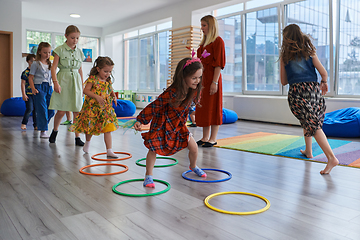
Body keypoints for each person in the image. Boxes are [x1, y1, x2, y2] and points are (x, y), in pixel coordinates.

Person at [134, 57, 207, 188]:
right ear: (183, 76)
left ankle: (193, 166)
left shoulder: (193, 90)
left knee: (194, 148)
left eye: (199, 77)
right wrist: (141, 120)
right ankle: (148, 176)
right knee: (153, 149)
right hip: (162, 124)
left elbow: (190, 107)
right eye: (194, 78)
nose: (198, 81)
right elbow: (155, 105)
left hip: (178, 125)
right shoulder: (172, 92)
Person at [279, 24, 339, 174]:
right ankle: (308, 150)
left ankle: (332, 158)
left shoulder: (285, 57)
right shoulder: (309, 52)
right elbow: (323, 73)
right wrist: (324, 83)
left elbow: (283, 81)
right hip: (313, 91)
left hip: (297, 92)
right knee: (308, 120)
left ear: (286, 39)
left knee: (312, 124)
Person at [70, 57, 119, 157]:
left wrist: (113, 96)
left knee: (108, 128)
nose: (108, 74)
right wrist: (96, 96)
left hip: (105, 109)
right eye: (105, 71)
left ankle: (109, 150)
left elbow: (110, 90)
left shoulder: (108, 80)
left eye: (110, 72)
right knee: (90, 127)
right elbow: (85, 91)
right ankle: (87, 143)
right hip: (92, 108)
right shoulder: (93, 79)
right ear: (98, 69)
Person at [49, 25, 85, 146]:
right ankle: (55, 131)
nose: (75, 40)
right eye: (72, 37)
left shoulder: (80, 52)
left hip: (76, 81)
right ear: (66, 36)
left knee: (76, 110)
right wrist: (55, 83)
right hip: (63, 79)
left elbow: (80, 70)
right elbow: (53, 68)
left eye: (77, 38)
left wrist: (82, 85)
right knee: (61, 110)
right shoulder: (59, 50)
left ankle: (77, 137)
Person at [196, 15, 226, 147]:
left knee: (213, 108)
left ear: (211, 26)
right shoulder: (202, 45)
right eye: (201, 25)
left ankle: (213, 138)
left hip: (212, 79)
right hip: (202, 80)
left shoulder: (218, 42)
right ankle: (204, 137)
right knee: (204, 108)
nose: (201, 28)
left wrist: (215, 82)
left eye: (204, 25)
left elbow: (218, 64)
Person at [28, 42, 55, 138]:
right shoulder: (36, 63)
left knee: (51, 110)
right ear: (39, 52)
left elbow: (52, 77)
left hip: (49, 87)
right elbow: (30, 77)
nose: (47, 55)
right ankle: (43, 130)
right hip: (39, 87)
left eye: (49, 52)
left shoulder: (50, 64)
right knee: (42, 109)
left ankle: (42, 125)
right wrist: (33, 89)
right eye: (45, 52)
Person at [21, 54, 37, 130]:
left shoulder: (37, 72)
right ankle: (24, 123)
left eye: (34, 61)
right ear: (28, 61)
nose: (33, 63)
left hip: (36, 93)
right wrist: (23, 94)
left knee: (36, 110)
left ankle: (36, 125)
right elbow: (23, 83)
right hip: (28, 94)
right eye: (31, 61)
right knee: (29, 108)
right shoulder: (25, 72)